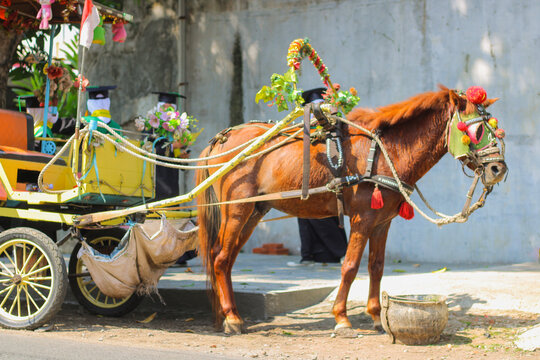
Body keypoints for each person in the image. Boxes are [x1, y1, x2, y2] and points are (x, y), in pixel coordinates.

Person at [288, 88, 348, 266]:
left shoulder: (333, 127)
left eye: (320, 105)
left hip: (326, 177)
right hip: (304, 176)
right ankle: (307, 256)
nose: (317, 109)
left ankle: (340, 253)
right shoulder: (302, 128)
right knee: (303, 216)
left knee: (326, 217)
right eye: (313, 106)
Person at [151, 91, 197, 267]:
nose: (167, 111)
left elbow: (178, 158)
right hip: (155, 178)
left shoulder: (179, 128)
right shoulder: (152, 126)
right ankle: (159, 253)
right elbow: (149, 146)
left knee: (173, 215)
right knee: (158, 216)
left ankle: (176, 254)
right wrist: (171, 146)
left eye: (170, 108)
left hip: (172, 179)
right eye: (164, 107)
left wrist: (182, 155)